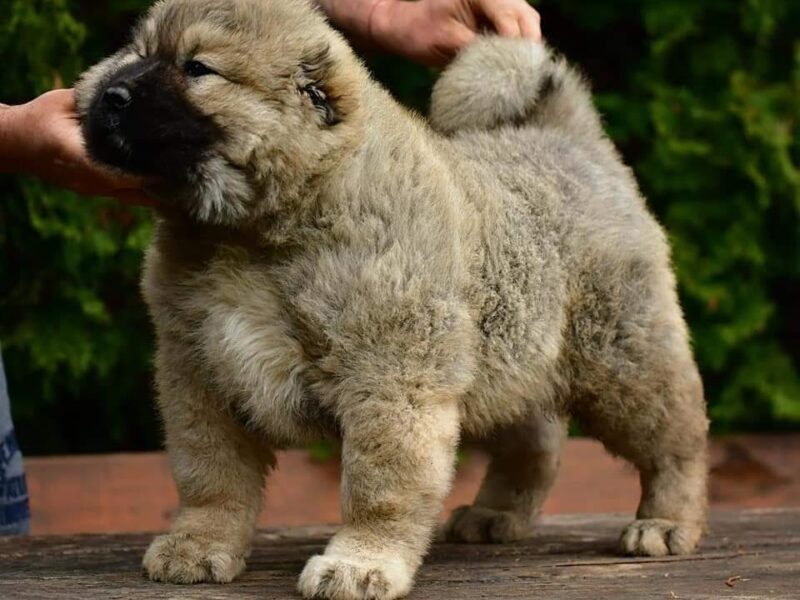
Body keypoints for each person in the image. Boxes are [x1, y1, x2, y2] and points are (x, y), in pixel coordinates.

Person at [0, 0, 542, 535]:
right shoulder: (187, 250)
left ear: (318, 102)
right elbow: (198, 397)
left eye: (196, 70)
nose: (126, 83)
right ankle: (213, 522)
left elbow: (400, 401)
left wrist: (375, 7)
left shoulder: (378, 233)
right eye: (138, 55)